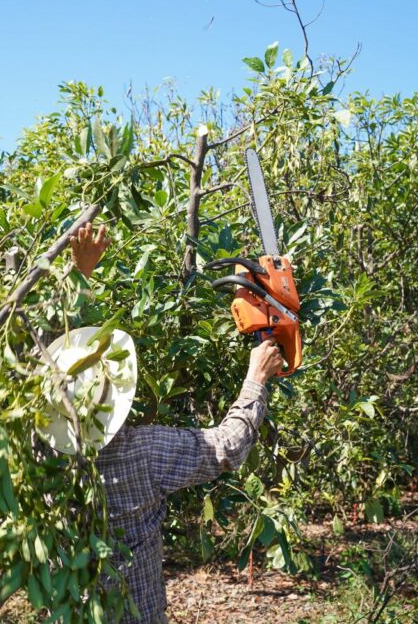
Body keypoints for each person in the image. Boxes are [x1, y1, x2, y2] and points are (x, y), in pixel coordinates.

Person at [69, 221, 285, 623]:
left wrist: (78, 276)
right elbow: (227, 446)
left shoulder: (43, 457)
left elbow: (54, 355)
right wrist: (256, 379)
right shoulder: (142, 453)